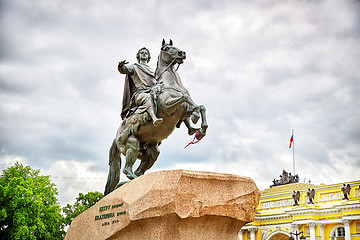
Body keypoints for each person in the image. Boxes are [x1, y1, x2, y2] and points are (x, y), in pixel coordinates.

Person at [118, 47, 163, 126]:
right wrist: (121, 67)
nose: (144, 54)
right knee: (147, 97)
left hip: (153, 91)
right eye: (142, 53)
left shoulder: (153, 70)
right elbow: (125, 70)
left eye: (146, 53)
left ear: (148, 57)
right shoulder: (135, 67)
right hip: (141, 93)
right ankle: (154, 118)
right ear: (138, 56)